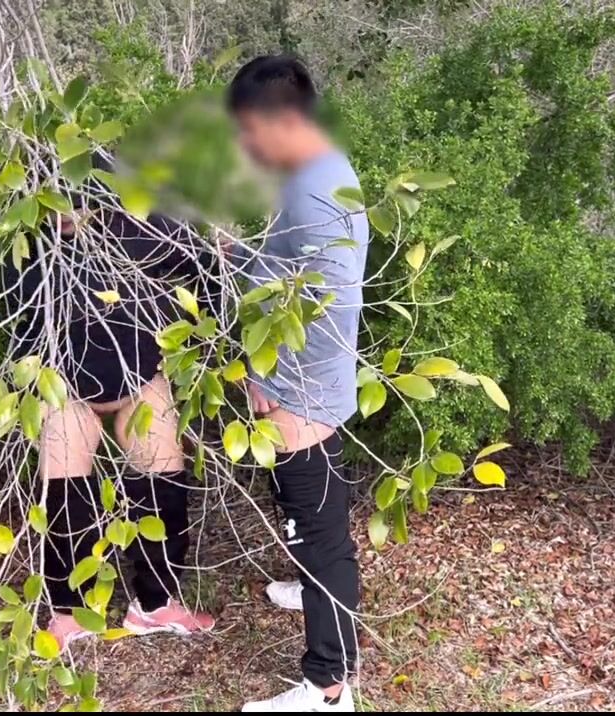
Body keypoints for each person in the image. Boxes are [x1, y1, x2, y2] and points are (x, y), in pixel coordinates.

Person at [4, 167, 217, 649]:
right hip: (66, 385)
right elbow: (15, 324)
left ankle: (155, 603)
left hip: (139, 379)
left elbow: (203, 272)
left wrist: (189, 343)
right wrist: (42, 383)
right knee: (65, 494)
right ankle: (69, 612)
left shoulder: (145, 224)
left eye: (76, 201)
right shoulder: (26, 245)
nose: (65, 213)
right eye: (53, 203)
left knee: (165, 481)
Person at [224, 55, 368, 713]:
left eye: (248, 130)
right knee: (307, 511)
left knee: (319, 530)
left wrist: (276, 385)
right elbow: (292, 276)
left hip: (302, 387)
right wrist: (244, 257)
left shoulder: (314, 194)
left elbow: (325, 305)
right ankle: (312, 590)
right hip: (299, 381)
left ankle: (328, 687)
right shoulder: (316, 172)